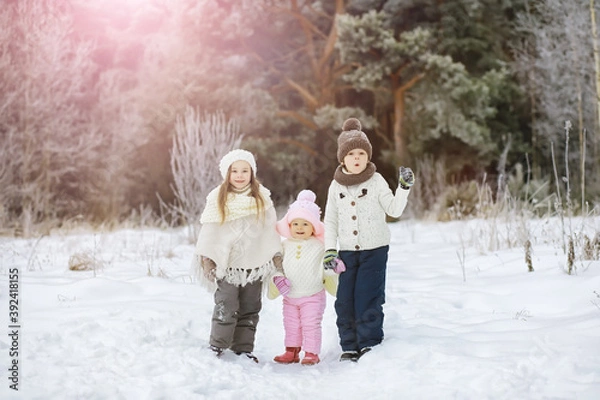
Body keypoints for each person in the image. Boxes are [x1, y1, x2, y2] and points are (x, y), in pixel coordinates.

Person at [322, 117, 414, 362]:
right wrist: (330, 250)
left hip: (375, 251)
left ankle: (369, 344)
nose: (357, 158)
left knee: (368, 298)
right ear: (343, 158)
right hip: (347, 253)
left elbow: (394, 210)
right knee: (345, 301)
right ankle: (349, 346)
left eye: (362, 153)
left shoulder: (376, 180)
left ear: (367, 157)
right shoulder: (335, 186)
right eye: (351, 154)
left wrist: (403, 187)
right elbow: (330, 220)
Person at [192, 149, 282, 363]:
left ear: (252, 172)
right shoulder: (218, 198)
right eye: (235, 171)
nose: (240, 175)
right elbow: (210, 231)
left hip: (254, 264)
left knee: (251, 307)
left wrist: (276, 257)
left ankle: (243, 348)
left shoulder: (262, 199)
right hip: (227, 265)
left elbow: (270, 231)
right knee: (226, 304)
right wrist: (207, 259)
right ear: (227, 174)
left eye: (245, 170)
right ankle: (218, 345)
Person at [268, 190, 344, 366]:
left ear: (314, 227)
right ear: (289, 225)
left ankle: (311, 352)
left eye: (305, 223)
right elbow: (276, 266)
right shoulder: (284, 246)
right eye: (295, 223)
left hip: (313, 294)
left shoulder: (320, 246)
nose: (300, 228)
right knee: (291, 323)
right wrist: (278, 278)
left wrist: (335, 267)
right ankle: (291, 351)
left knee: (310, 324)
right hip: (290, 295)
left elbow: (330, 265)